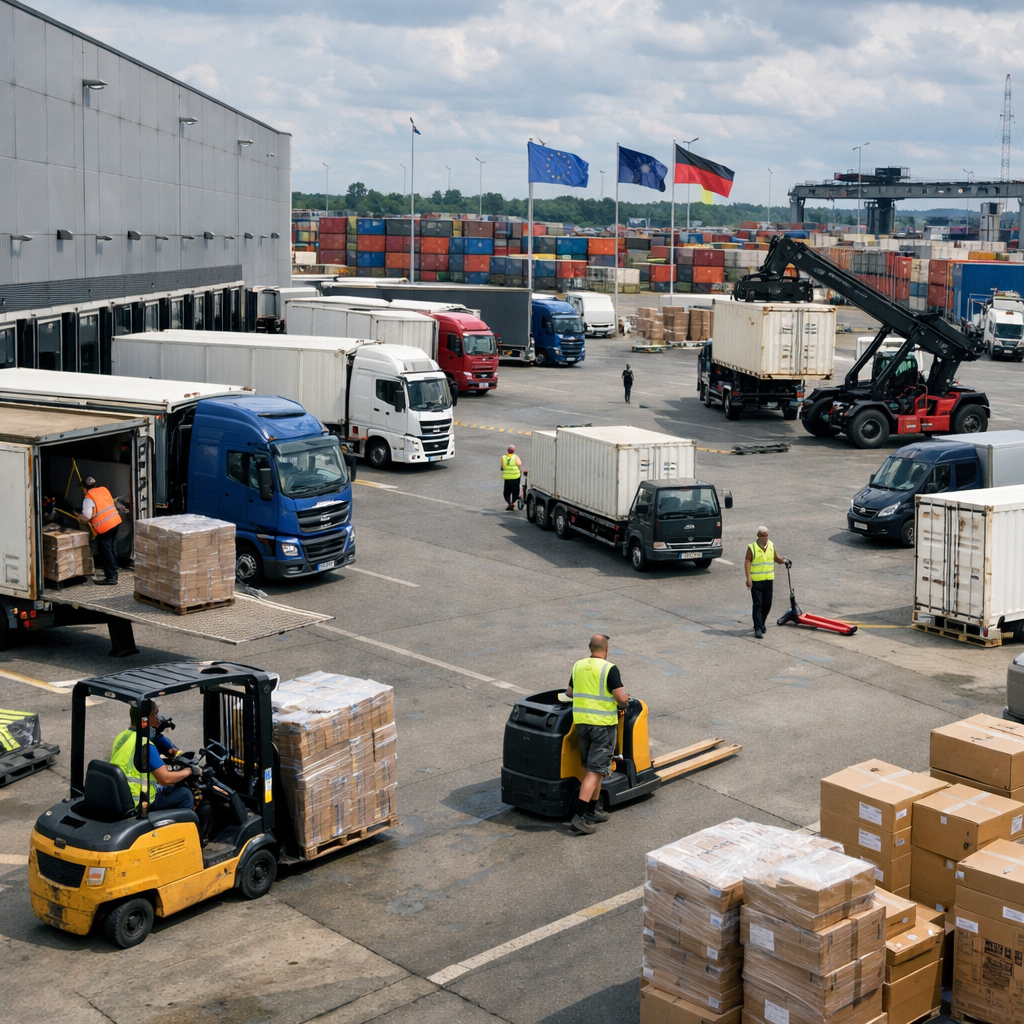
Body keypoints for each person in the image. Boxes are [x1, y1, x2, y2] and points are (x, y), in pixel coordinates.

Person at [565, 634, 630, 835]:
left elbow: (569, 692)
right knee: (595, 771)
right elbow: (621, 698)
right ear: (606, 648)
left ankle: (592, 811)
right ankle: (579, 816)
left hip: (582, 724)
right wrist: (626, 700)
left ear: (590, 647)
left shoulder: (578, 666)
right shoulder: (609, 669)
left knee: (597, 769)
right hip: (602, 726)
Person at [109, 702, 197, 810]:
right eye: (155, 714)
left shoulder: (122, 737)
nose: (157, 719)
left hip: (121, 795)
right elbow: (165, 779)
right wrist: (189, 771)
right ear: (146, 718)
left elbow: (134, 763)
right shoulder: (145, 745)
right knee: (185, 794)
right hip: (141, 801)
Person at [744, 526, 791, 639]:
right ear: (758, 537)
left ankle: (761, 622)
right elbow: (747, 562)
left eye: (766, 536)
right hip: (756, 581)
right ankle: (758, 628)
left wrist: (785, 561)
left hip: (768, 580)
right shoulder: (752, 547)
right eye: (763, 536)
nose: (765, 538)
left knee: (767, 604)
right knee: (757, 604)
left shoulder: (771, 545)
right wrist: (748, 578)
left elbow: (776, 558)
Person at [79, 475, 122, 585]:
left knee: (105, 552)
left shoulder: (88, 498)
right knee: (111, 549)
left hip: (105, 527)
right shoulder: (104, 490)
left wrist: (79, 517)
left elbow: (87, 515)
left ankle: (111, 577)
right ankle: (114, 573)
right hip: (115, 522)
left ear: (84, 487)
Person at [500, 444, 522, 511]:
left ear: (507, 450)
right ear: (513, 451)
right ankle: (513, 502)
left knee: (507, 491)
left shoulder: (504, 457)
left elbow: (502, 468)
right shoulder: (515, 457)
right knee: (515, 490)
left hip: (507, 477)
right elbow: (519, 464)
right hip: (515, 476)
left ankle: (509, 502)